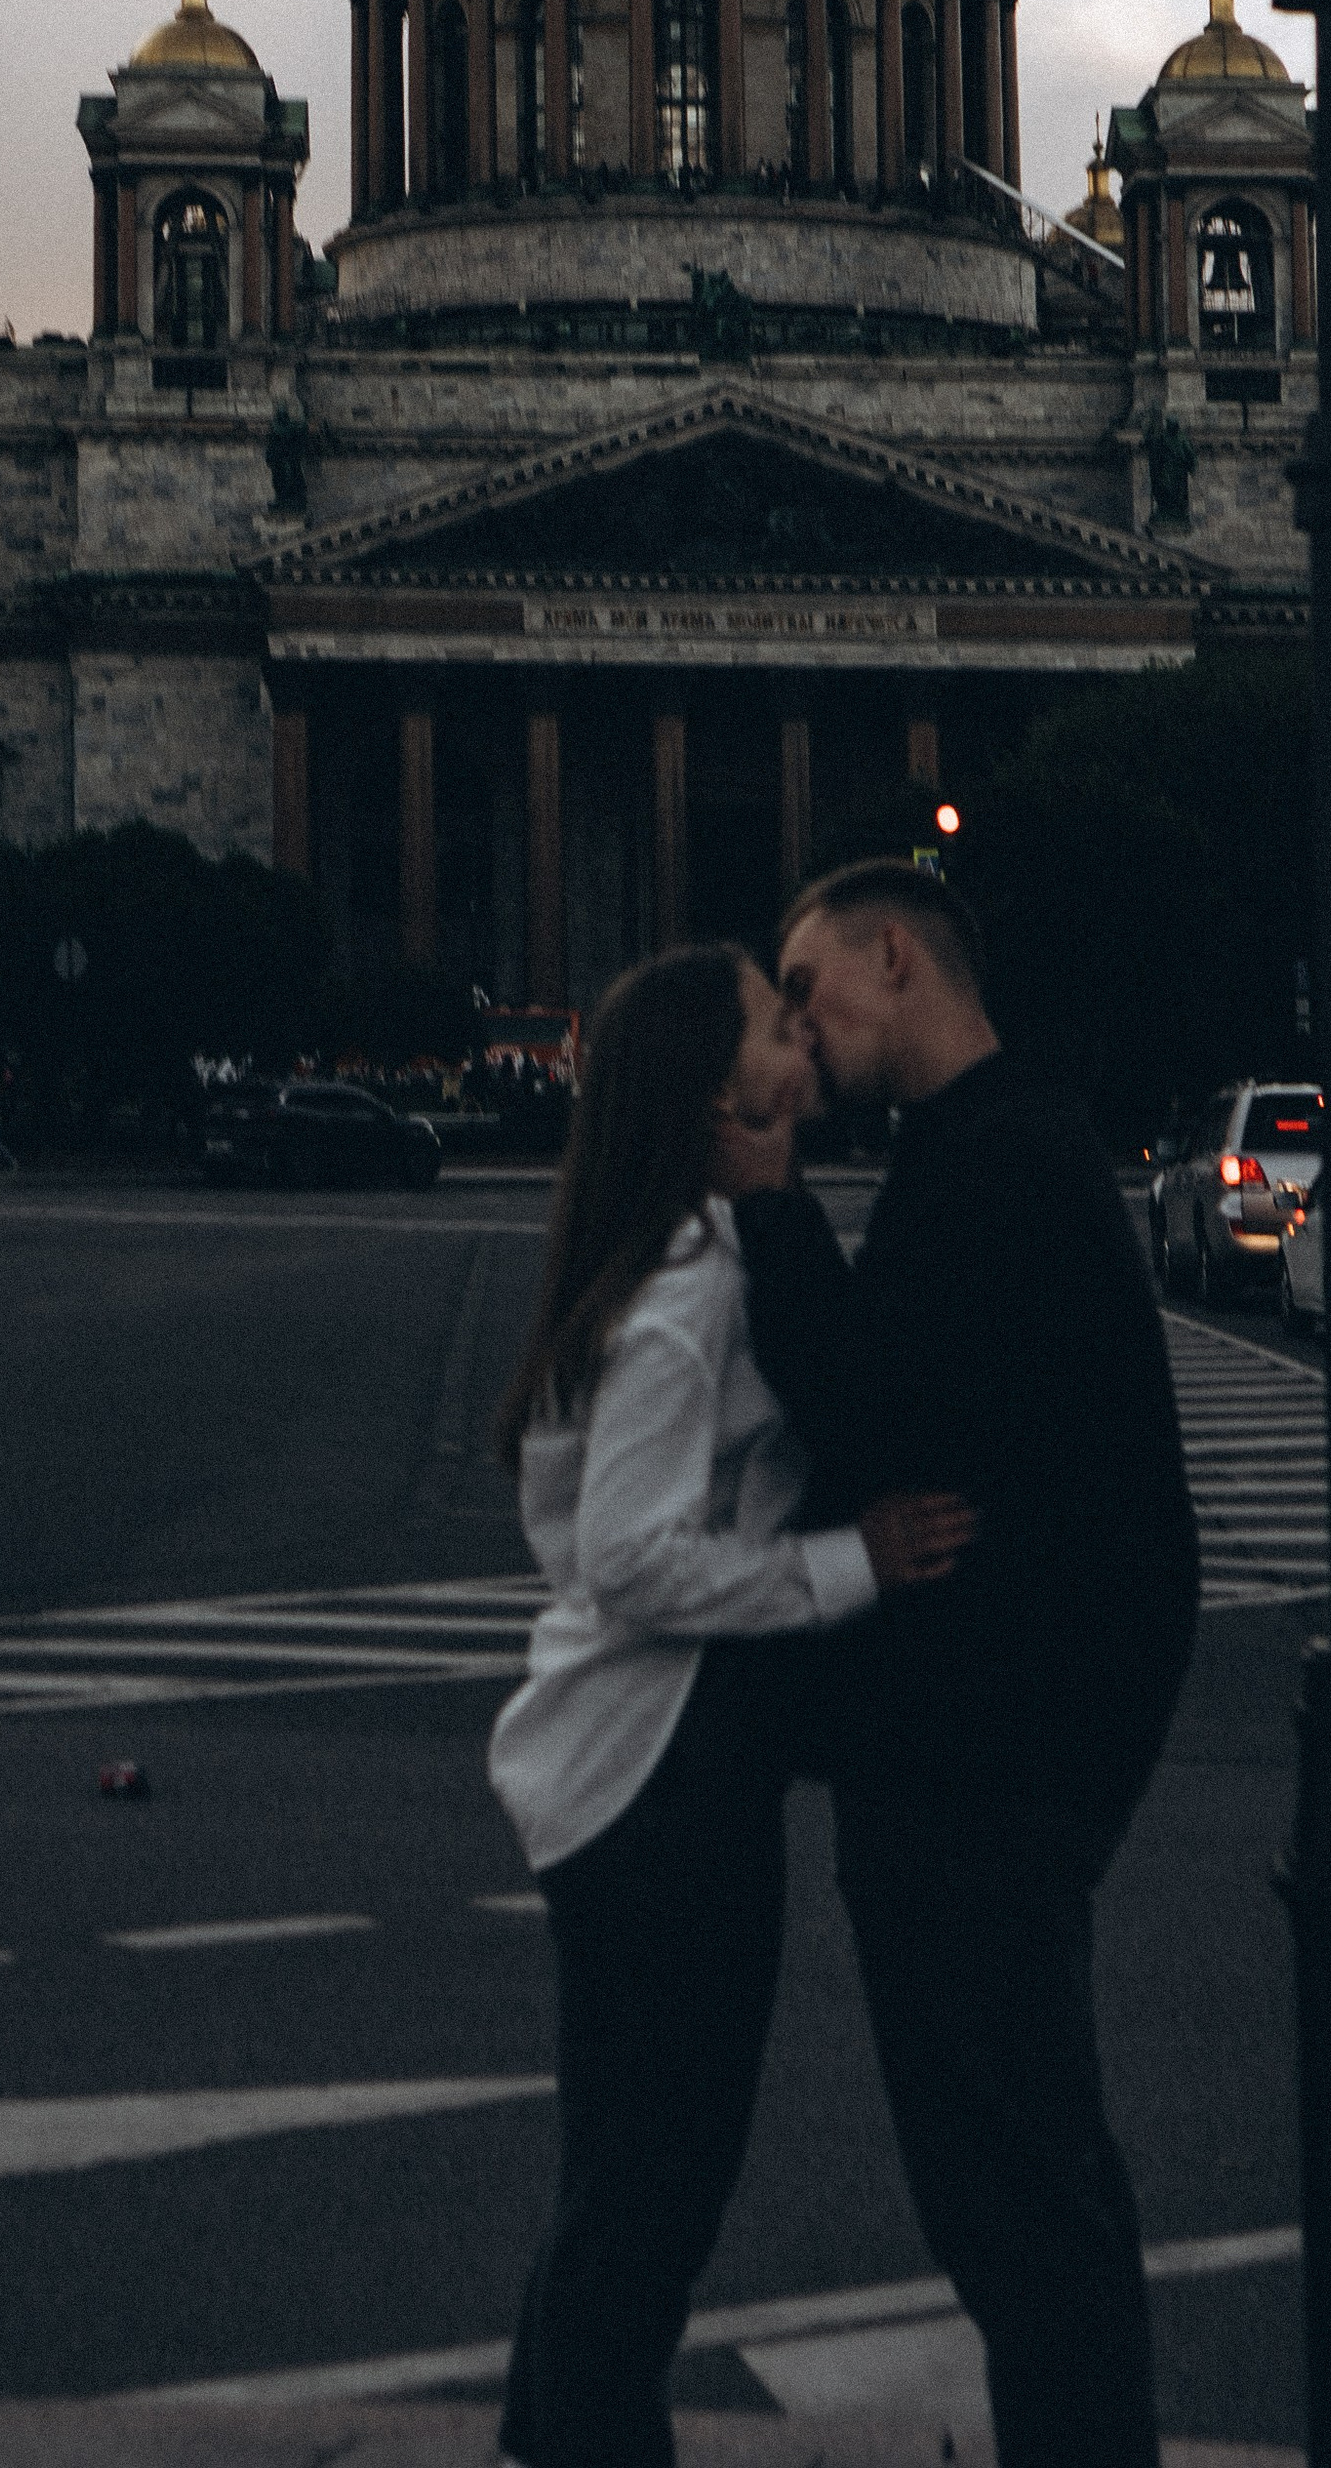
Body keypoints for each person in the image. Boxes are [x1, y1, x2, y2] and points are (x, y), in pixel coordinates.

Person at [489, 941, 978, 2468]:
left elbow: (567, 1530)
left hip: (623, 1767)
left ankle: (565, 2441)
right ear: (721, 1089)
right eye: (779, 1027)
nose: (805, 1040)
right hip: (662, 1774)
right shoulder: (693, 1280)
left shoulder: (662, 1248)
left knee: (629, 2182)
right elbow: (629, 1556)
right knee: (659, 2188)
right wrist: (850, 1567)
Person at [743, 859, 1200, 2468]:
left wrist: (768, 1197)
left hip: (982, 1778)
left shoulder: (1001, 1161)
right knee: (1011, 2198)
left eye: (806, 992)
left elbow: (870, 1406)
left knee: (1018, 2200)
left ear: (893, 958)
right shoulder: (997, 1143)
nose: (798, 1032)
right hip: (993, 1768)